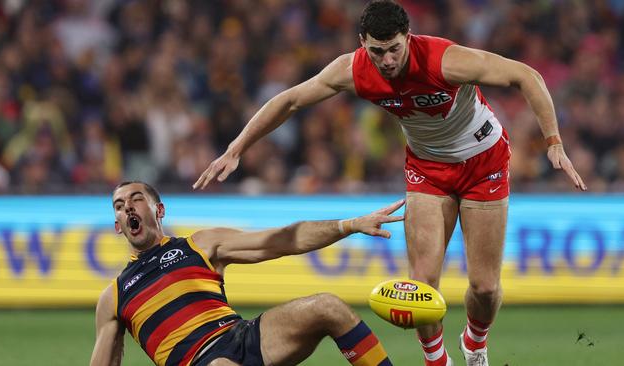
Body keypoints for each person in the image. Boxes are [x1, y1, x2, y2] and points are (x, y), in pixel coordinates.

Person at [192, 1, 587, 365]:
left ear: (408, 37)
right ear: (362, 43)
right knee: (422, 288)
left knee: (484, 288)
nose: (386, 60)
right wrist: (236, 147)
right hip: (427, 169)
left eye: (394, 49)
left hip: (484, 163)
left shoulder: (444, 60)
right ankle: (437, 361)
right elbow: (290, 100)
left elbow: (526, 75)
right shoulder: (353, 70)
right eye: (376, 51)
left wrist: (553, 142)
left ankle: (475, 343)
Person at [90, 180, 404, 366]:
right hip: (198, 361)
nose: (128, 207)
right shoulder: (114, 296)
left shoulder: (200, 244)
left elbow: (282, 240)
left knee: (328, 306)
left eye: (136, 199)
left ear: (159, 210)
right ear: (118, 225)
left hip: (243, 337)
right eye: (119, 205)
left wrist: (349, 225)